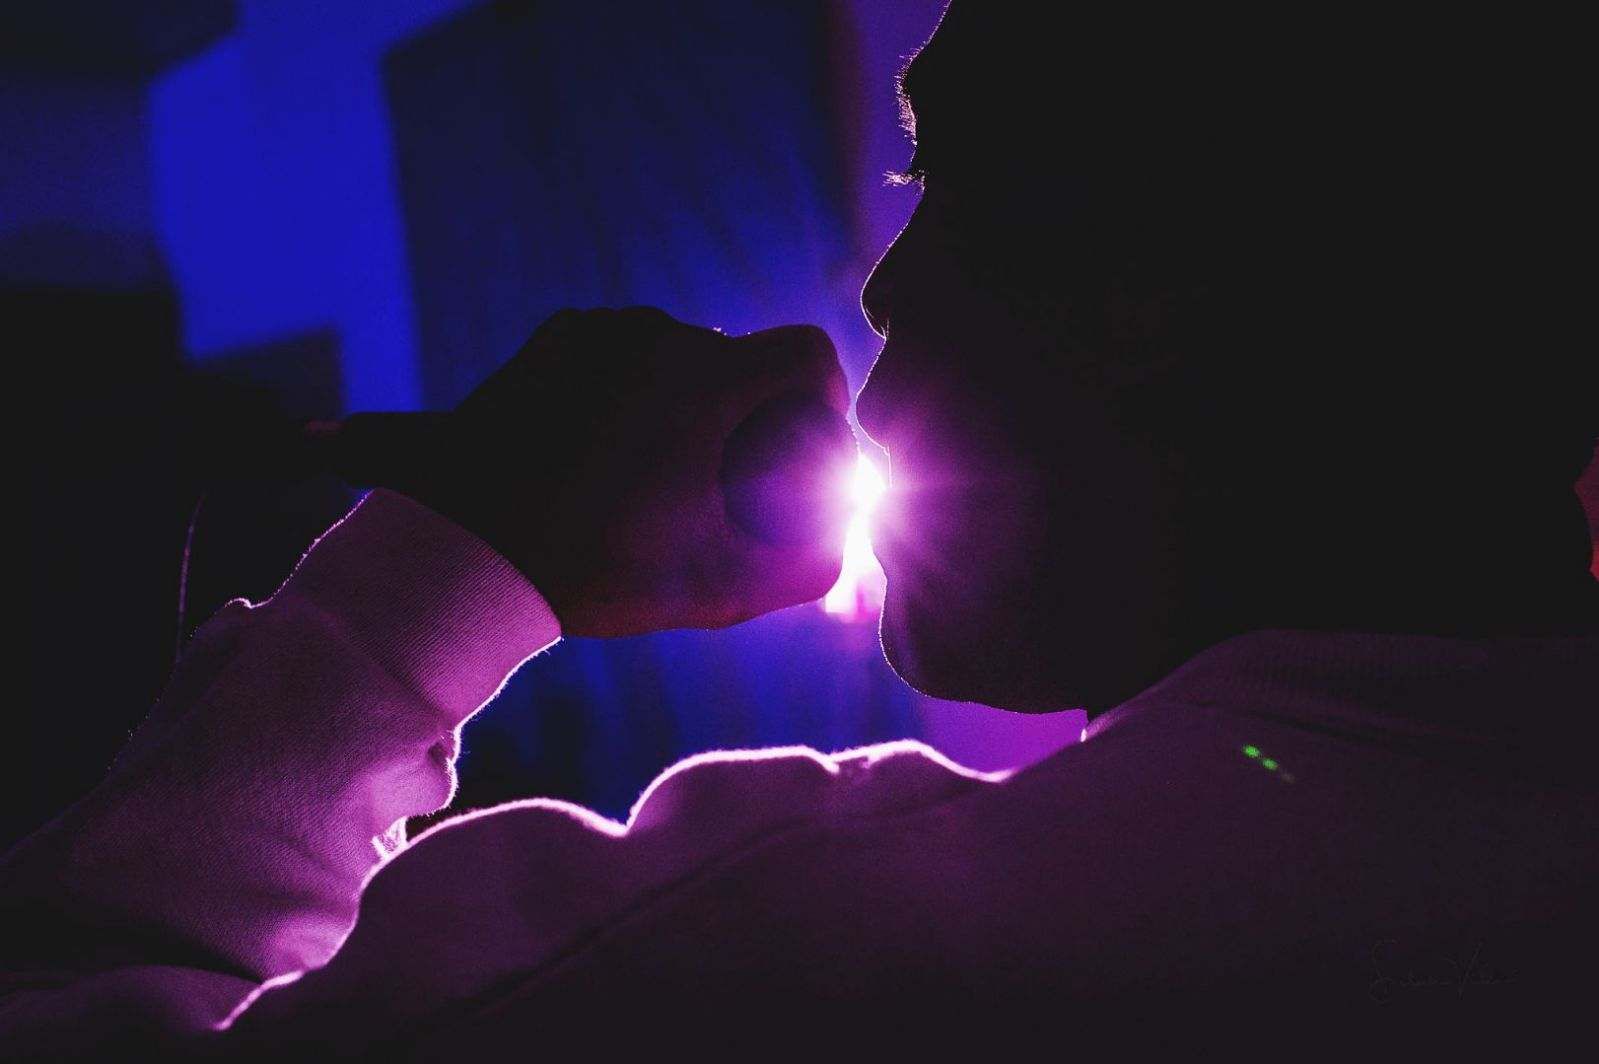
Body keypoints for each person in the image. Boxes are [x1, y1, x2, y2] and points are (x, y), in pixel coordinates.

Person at [4, 2, 1595, 1056]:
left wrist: (422, 587)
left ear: (1150, 292)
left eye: (946, 180)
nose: (884, 285)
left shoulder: (821, 954)